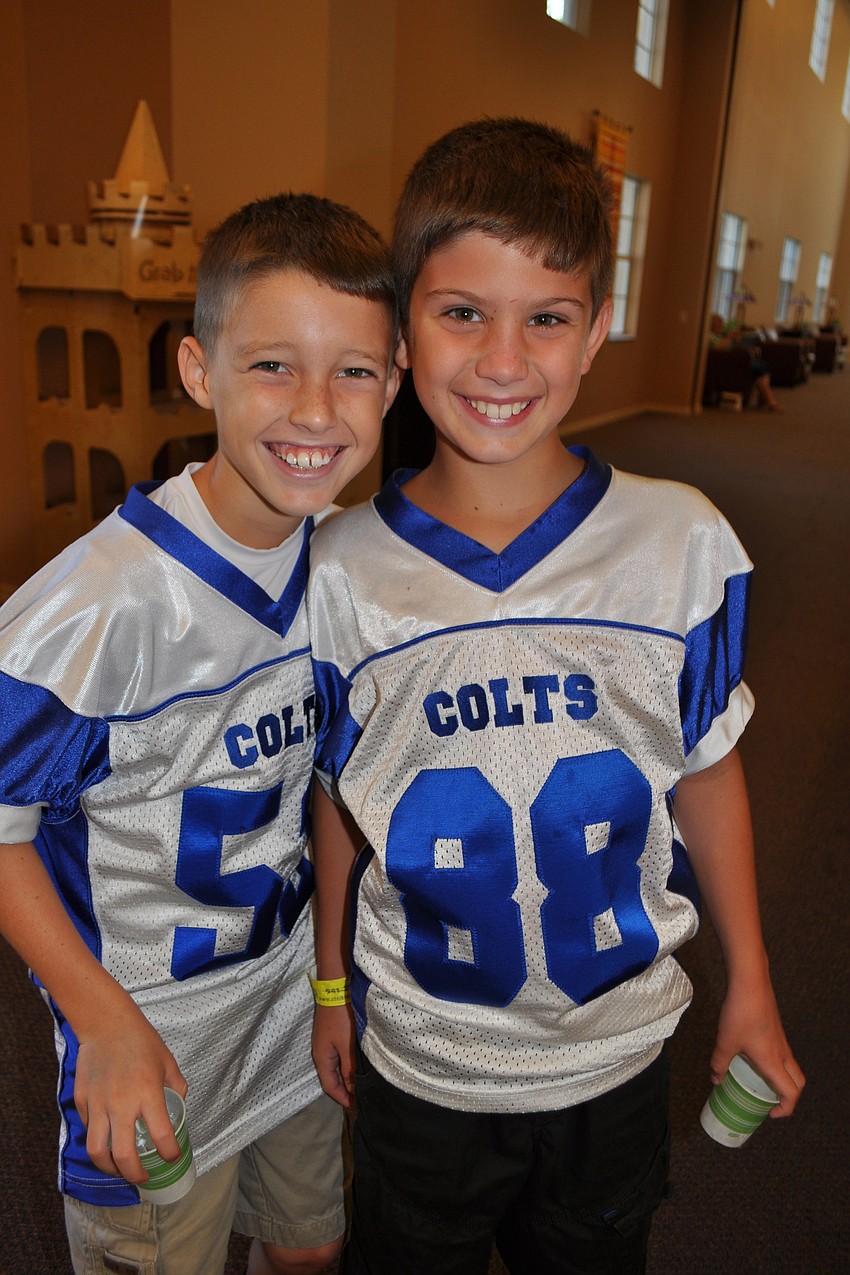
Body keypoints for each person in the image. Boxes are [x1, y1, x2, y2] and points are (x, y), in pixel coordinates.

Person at [307, 119, 804, 1275]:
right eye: (461, 310)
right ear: (400, 325)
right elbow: (339, 801)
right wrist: (332, 987)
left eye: (548, 316)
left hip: (615, 1057)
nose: (501, 359)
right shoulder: (336, 570)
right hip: (425, 1058)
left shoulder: (679, 542)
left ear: (595, 333)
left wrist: (753, 985)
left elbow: (706, 768)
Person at [0, 191, 401, 1275]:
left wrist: (330, 987)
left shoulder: (347, 564)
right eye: (272, 365)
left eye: (354, 371)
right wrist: (102, 1018)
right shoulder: (98, 606)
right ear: (197, 371)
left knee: (311, 1248)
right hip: (154, 1048)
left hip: (287, 1025)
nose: (316, 410)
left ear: (395, 381)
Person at [709, 313, 782, 410]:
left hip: (736, 362)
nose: (722, 327)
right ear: (714, 326)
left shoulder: (719, 336)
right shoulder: (710, 337)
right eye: (720, 325)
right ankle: (769, 401)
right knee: (761, 369)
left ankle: (766, 399)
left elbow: (733, 347)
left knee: (763, 367)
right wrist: (729, 337)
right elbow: (718, 349)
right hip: (729, 365)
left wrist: (736, 338)